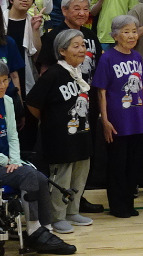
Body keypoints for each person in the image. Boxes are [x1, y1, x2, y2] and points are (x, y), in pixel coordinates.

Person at [0, 57, 75, 254]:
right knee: (29, 175)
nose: (3, 85)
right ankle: (34, 231)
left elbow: (12, 135)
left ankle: (46, 230)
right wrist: (1, 159)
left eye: (5, 80)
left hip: (10, 163)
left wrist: (14, 159)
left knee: (40, 177)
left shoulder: (7, 101)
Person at [26, 29, 96, 231]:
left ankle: (72, 211)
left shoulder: (79, 73)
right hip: (60, 139)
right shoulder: (53, 74)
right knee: (62, 178)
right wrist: (50, 121)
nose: (82, 49)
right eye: (76, 46)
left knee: (79, 175)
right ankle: (57, 216)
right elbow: (32, 103)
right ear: (62, 51)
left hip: (81, 135)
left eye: (83, 45)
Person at [92, 15, 143, 218]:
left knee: (133, 164)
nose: (131, 35)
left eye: (134, 31)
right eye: (126, 32)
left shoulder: (137, 57)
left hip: (137, 119)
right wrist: (105, 120)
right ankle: (117, 206)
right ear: (115, 35)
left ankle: (128, 203)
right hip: (117, 120)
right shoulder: (107, 58)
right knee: (117, 164)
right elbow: (101, 92)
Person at [39, 0, 101, 84]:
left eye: (85, 9)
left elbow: (99, 62)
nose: (82, 13)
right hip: (65, 89)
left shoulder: (91, 34)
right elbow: (45, 70)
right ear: (64, 10)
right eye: (77, 9)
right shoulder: (53, 36)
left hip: (89, 89)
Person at [5, 0, 43, 93]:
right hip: (2, 69)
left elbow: (36, 54)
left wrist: (35, 30)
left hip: (25, 71)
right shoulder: (0, 19)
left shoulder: (33, 21)